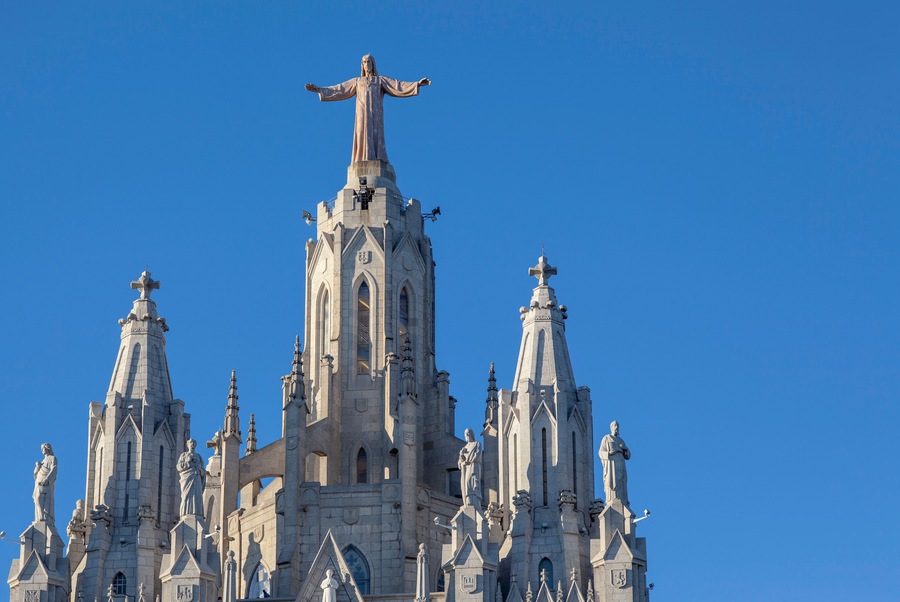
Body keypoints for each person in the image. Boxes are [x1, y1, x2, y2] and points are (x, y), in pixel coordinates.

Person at [305, 55, 430, 164]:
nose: (367, 64)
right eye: (364, 62)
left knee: (376, 135)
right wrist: (319, 90)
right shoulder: (357, 81)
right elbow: (340, 89)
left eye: (369, 62)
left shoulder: (380, 81)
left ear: (373, 64)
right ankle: (361, 158)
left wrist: (416, 84)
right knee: (361, 132)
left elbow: (397, 85)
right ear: (362, 66)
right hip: (362, 113)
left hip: (376, 114)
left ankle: (378, 158)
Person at [598, 421, 631, 507]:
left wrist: (625, 449)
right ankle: (611, 500)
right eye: (615, 425)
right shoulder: (607, 438)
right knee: (612, 481)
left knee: (622, 481)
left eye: (618, 425)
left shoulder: (621, 441)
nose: (617, 427)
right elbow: (601, 452)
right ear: (611, 427)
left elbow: (628, 456)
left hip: (621, 463)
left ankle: (623, 500)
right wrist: (609, 453)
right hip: (611, 464)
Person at [177, 439, 205, 518]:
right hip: (187, 478)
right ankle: (185, 513)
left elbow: (203, 470)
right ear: (187, 445)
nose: (192, 445)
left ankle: (198, 514)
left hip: (196, 478)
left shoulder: (199, 456)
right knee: (186, 496)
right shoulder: (184, 455)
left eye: (194, 443)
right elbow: (179, 467)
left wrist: (200, 472)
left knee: (197, 496)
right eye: (190, 443)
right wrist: (188, 462)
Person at [33, 443, 58, 523]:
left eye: (43, 448)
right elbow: (35, 475)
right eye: (41, 448)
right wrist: (37, 467)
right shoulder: (42, 462)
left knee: (45, 500)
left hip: (46, 483)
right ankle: (40, 517)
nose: (42, 450)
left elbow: (54, 469)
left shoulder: (52, 458)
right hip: (38, 482)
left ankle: (45, 517)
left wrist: (47, 480)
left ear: (47, 448)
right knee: (37, 499)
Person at [458, 428, 482, 507]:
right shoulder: (464, 448)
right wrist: (461, 455)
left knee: (471, 483)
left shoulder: (477, 444)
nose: (467, 435)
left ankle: (474, 502)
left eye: (468, 433)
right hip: (466, 468)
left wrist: (467, 460)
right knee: (466, 484)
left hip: (473, 467)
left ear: (471, 434)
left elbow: (477, 456)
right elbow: (459, 463)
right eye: (465, 434)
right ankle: (467, 502)